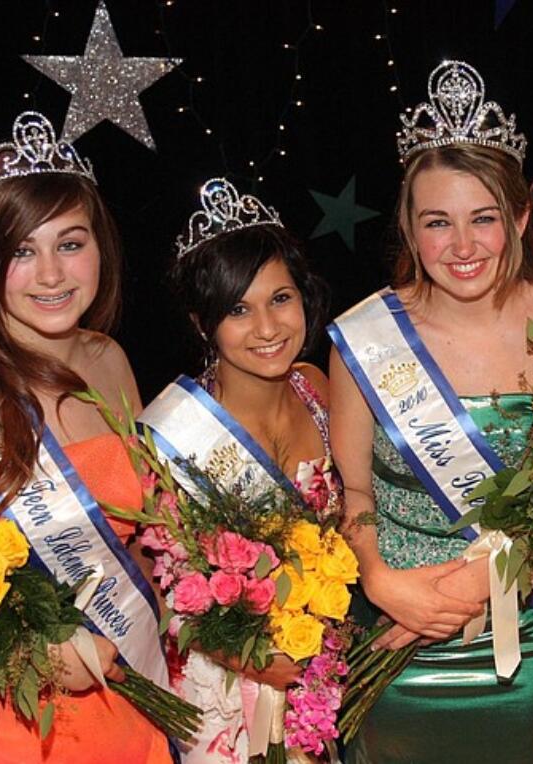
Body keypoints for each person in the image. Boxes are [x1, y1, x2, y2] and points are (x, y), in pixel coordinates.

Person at [328, 60, 533, 763]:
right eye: (437, 223)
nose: (462, 248)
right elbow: (353, 491)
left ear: (521, 214)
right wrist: (380, 579)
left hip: (524, 633)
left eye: (484, 218)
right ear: (407, 224)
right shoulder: (367, 337)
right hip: (394, 631)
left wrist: (477, 579)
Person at [0, 111, 172, 762]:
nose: (51, 274)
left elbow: (140, 540)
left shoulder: (109, 361)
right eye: (21, 250)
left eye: (70, 243)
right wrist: (32, 652)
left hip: (121, 702)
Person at [137, 178, 336, 762]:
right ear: (203, 324)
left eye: (280, 299)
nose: (268, 328)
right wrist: (253, 661)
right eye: (238, 310)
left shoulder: (320, 390)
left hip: (322, 680)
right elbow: (162, 594)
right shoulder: (170, 436)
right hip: (218, 699)